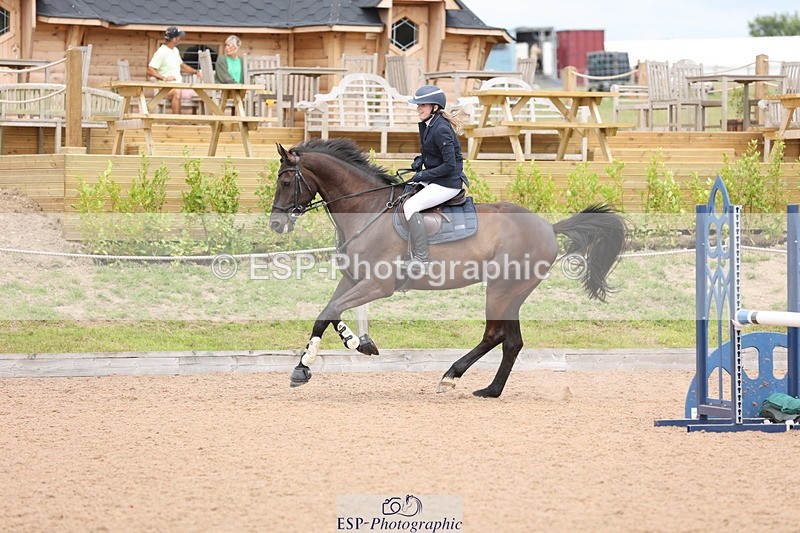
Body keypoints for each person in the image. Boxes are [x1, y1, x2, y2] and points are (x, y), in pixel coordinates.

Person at [404, 85, 467, 271]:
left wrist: (423, 174)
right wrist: (420, 160)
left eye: (422, 105)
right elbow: (433, 152)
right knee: (402, 194)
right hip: (435, 179)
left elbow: (450, 166)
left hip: (448, 183)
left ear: (435, 107)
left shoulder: (441, 129)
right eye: (418, 105)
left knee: (410, 206)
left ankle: (422, 259)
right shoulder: (428, 124)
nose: (418, 109)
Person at [146, 26, 198, 114]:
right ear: (174, 39)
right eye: (179, 37)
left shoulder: (175, 50)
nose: (180, 39)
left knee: (200, 93)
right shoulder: (161, 52)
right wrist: (164, 78)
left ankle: (203, 123)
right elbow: (149, 70)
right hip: (165, 88)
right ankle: (177, 122)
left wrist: (196, 72)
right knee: (177, 92)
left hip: (178, 85)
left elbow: (182, 66)